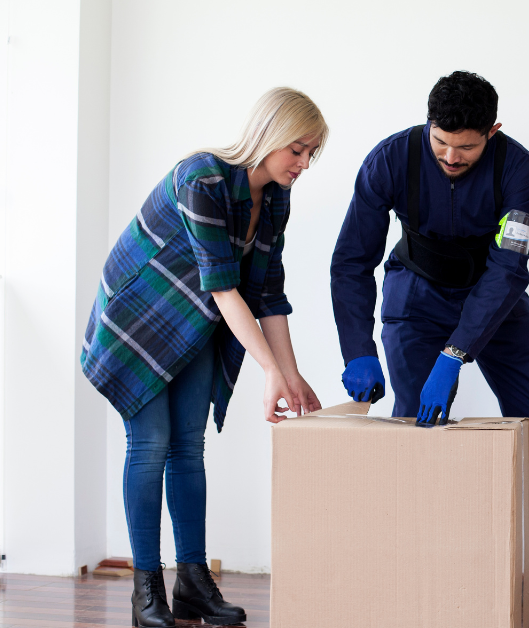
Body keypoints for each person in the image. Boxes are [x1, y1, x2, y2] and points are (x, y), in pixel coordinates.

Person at [330, 71, 529, 607]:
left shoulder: (518, 168)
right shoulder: (390, 160)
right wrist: (357, 348)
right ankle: (415, 559)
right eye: (440, 141)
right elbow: (353, 259)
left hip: (493, 295)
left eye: (464, 147)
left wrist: (456, 354)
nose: (449, 156)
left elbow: (510, 266)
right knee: (417, 425)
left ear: (492, 132)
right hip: (414, 295)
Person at [81, 87, 327, 627]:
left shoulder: (276, 200)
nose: (304, 163)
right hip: (137, 321)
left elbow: (268, 293)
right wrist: (268, 372)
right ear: (268, 136)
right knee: (150, 447)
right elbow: (222, 286)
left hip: (192, 324)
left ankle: (192, 582)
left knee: (188, 447)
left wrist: (291, 374)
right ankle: (147, 589)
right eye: (297, 149)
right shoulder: (203, 178)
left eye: (313, 153)